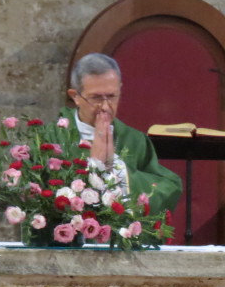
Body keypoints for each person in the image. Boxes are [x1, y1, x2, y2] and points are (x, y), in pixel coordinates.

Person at [65, 53, 182, 213]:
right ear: (75, 96)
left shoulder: (135, 140)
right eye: (96, 98)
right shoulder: (51, 138)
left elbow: (168, 187)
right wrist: (94, 168)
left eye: (112, 97)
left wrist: (118, 170)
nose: (105, 107)